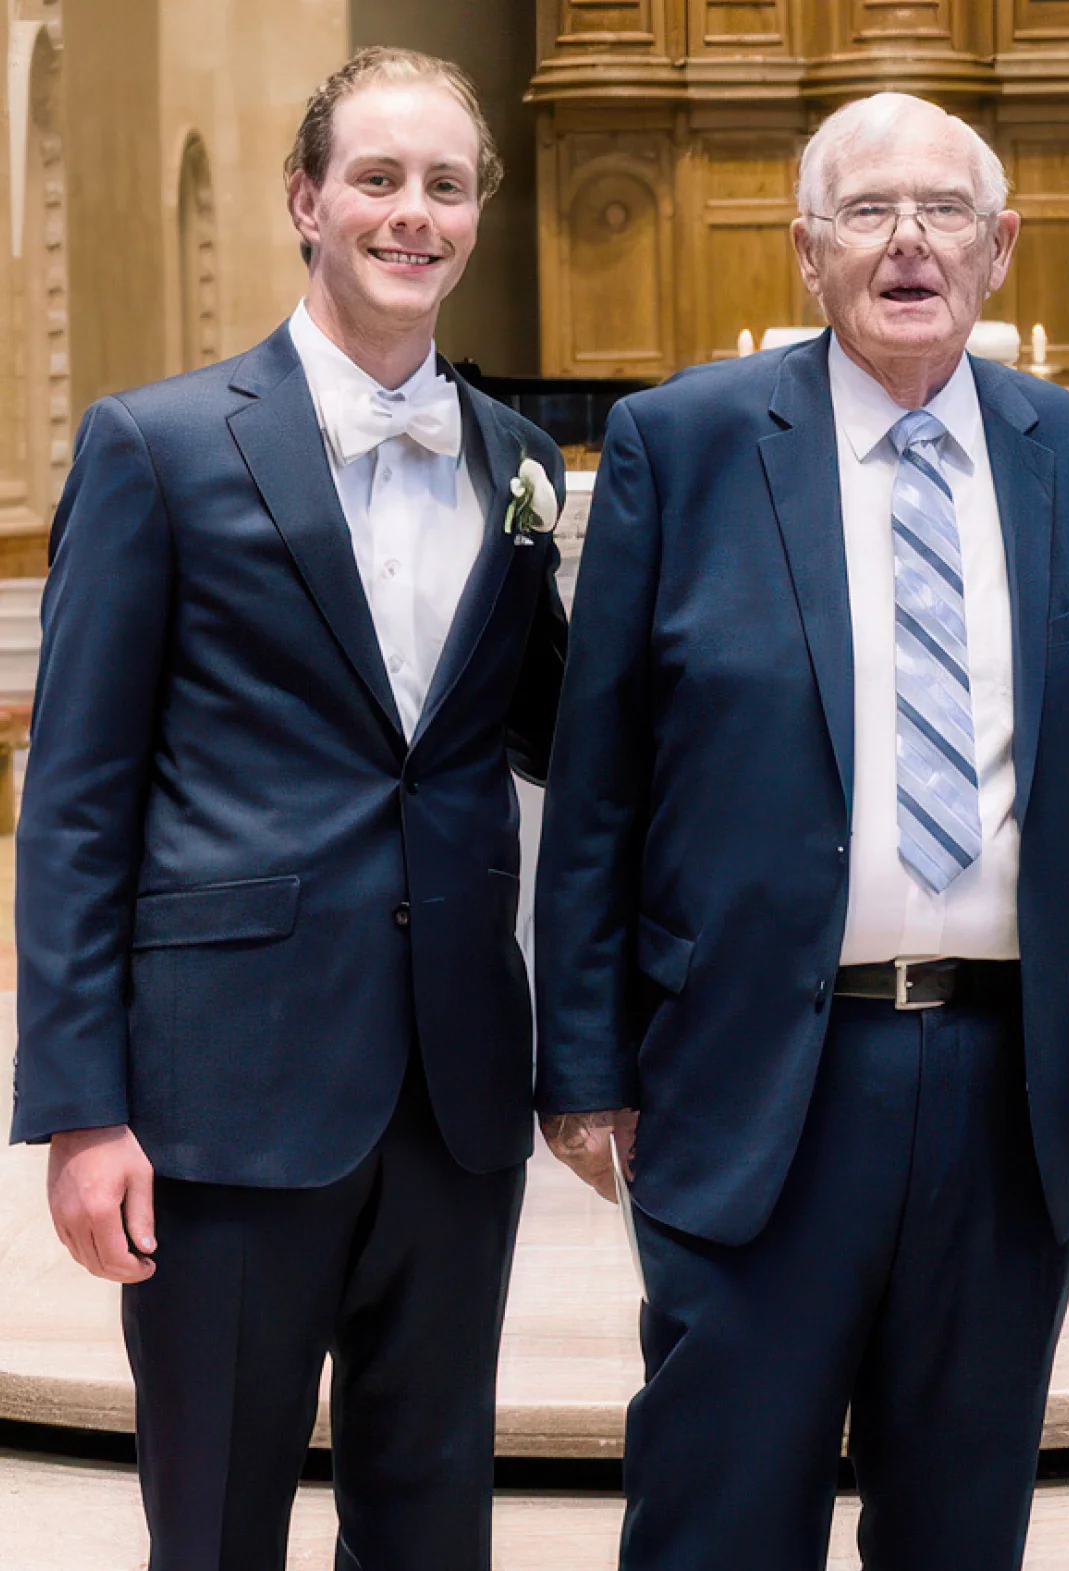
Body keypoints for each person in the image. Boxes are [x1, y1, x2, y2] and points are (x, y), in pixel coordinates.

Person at [535, 91, 1069, 1571]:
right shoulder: (682, 444)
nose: (909, 243)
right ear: (805, 251)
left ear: (1001, 247)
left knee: (961, 1526)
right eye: (868, 212)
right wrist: (581, 1064)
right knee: (719, 1522)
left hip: (1006, 1080)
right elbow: (599, 785)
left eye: (944, 211)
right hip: (757, 1072)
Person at [12, 46, 566, 1571]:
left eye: (445, 185)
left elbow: (556, 728)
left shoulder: (517, 464)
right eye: (377, 178)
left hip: (456, 1092)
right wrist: (82, 1109)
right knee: (214, 1529)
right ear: (307, 200)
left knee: (433, 1520)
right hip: (227, 1093)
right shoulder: (160, 444)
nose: (413, 213)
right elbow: (75, 802)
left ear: (477, 216)